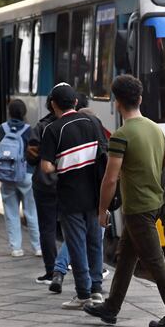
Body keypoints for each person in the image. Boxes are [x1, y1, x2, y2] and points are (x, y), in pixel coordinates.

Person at [83, 74, 165, 327]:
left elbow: (110, 179)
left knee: (155, 261)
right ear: (140, 99)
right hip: (154, 203)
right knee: (126, 257)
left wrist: (102, 210)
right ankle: (111, 308)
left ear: (116, 102)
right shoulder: (155, 129)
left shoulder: (122, 135)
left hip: (138, 207)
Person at [40, 84, 106, 309]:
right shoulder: (93, 123)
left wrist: (64, 164)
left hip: (70, 196)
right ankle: (97, 290)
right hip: (96, 193)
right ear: (76, 102)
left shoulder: (53, 129)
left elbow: (46, 166)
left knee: (76, 244)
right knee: (95, 241)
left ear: (53, 105)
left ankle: (83, 293)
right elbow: (103, 154)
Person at [0, 99, 41, 258]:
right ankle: (37, 247)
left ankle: (16, 248)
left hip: (7, 175)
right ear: (24, 113)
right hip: (26, 174)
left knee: (11, 212)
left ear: (9, 112)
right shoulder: (30, 130)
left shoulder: (2, 128)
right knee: (31, 211)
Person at [28, 92, 61, 283]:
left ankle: (51, 271)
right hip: (70, 184)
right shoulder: (77, 124)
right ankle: (70, 267)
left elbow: (31, 156)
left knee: (47, 229)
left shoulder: (41, 126)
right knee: (73, 227)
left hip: (45, 184)